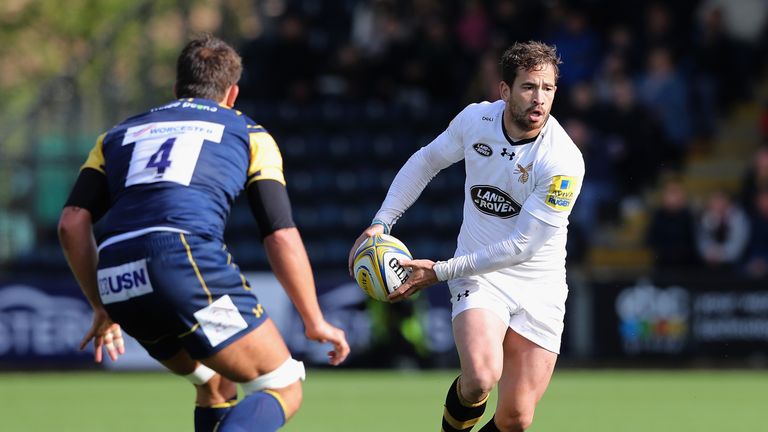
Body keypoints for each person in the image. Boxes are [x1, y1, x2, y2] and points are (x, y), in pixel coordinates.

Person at [58, 35, 349, 432]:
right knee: (284, 384)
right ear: (232, 94)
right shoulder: (249, 132)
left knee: (215, 380)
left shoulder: (115, 136)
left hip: (118, 277)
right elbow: (279, 234)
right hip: (181, 261)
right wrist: (314, 320)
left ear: (176, 90)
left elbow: (72, 221)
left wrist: (101, 306)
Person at [349, 41, 584, 432]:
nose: (539, 98)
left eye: (548, 88)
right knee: (479, 378)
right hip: (480, 276)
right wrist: (382, 221)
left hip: (539, 284)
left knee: (516, 418)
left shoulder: (563, 160)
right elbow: (426, 161)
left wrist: (438, 272)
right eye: (528, 87)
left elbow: (522, 246)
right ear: (504, 90)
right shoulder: (476, 122)